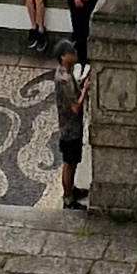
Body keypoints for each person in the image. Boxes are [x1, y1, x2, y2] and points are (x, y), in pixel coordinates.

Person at [53, 39, 88, 208]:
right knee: (69, 163)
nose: (74, 54)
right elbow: (75, 107)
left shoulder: (65, 72)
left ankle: (71, 189)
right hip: (70, 128)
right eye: (70, 52)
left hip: (71, 126)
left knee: (72, 162)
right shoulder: (64, 79)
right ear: (63, 56)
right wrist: (85, 89)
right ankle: (68, 198)